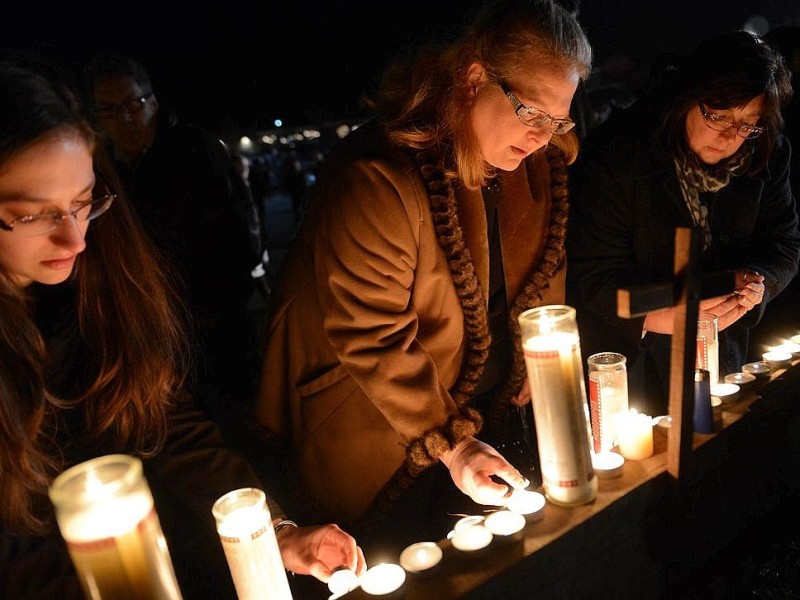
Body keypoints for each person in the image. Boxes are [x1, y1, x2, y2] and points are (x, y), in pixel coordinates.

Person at [0, 60, 365, 599]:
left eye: (82, 204)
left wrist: (275, 533)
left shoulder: (103, 285)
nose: (74, 239)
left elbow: (164, 420)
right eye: (34, 215)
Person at [251, 0, 593, 549]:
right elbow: (370, 333)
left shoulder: (534, 168)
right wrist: (453, 445)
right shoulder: (381, 177)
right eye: (531, 112)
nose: (541, 137)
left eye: (558, 121)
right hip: (377, 421)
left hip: (483, 415)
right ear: (474, 76)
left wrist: (539, 353)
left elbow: (544, 273)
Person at [565, 30, 800, 415]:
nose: (729, 138)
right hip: (626, 345)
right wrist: (660, 317)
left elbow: (783, 242)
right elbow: (590, 274)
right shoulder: (620, 156)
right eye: (718, 116)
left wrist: (755, 283)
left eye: (747, 124)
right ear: (686, 97)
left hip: (718, 334)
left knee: (716, 435)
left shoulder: (765, 153)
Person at [80, 54, 266, 420]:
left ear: (153, 101)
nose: (126, 117)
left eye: (134, 103)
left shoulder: (194, 148)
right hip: (144, 321)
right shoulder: (102, 168)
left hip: (212, 318)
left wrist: (222, 303)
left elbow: (239, 228)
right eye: (110, 109)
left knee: (236, 412)